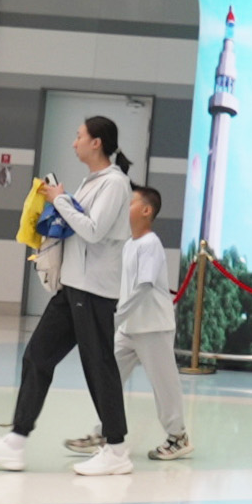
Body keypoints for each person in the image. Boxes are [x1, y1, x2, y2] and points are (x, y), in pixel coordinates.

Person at [0, 115, 136, 476]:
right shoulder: (93, 181)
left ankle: (117, 449)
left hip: (94, 290)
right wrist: (62, 200)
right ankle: (15, 442)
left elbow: (93, 231)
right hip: (72, 287)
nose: (74, 142)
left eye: (79, 136)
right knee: (37, 356)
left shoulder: (115, 183)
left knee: (99, 366)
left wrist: (61, 201)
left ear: (96, 142)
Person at [69, 185, 192, 462]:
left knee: (164, 384)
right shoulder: (128, 244)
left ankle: (178, 437)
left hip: (153, 328)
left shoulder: (150, 244)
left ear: (146, 210)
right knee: (107, 377)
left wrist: (114, 317)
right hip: (128, 329)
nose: (124, 208)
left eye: (130, 203)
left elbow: (144, 286)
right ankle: (104, 431)